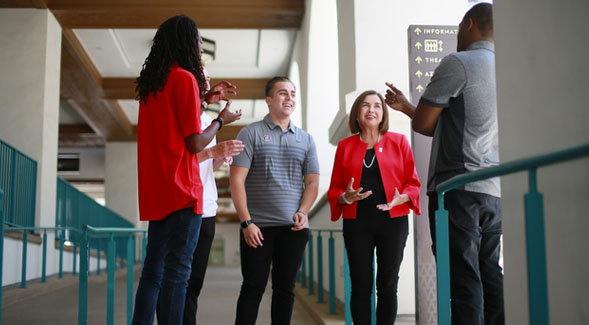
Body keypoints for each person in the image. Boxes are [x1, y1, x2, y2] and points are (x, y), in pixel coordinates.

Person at [385, 3, 503, 324]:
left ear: (467, 25)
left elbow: (424, 124)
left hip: (459, 187)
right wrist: (408, 106)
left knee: (462, 277)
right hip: (495, 190)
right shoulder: (508, 68)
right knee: (489, 269)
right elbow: (460, 124)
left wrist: (415, 111)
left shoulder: (458, 62)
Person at [133, 15, 243, 325]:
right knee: (178, 274)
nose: (199, 49)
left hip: (158, 190)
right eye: (196, 42)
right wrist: (220, 120)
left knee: (153, 272)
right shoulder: (184, 78)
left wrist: (204, 98)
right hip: (183, 189)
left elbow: (173, 125)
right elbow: (195, 143)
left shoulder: (152, 86)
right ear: (185, 43)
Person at [155, 67, 244, 324]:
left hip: (207, 208)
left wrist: (220, 158)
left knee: (194, 284)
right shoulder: (181, 114)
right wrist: (212, 152)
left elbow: (204, 167)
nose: (207, 83)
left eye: (207, 78)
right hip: (184, 206)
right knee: (173, 280)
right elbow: (180, 162)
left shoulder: (206, 120)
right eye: (201, 79)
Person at [230, 76, 320, 325]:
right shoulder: (251, 133)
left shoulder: (306, 139)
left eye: (292, 93)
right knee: (252, 288)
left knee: (285, 290)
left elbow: (312, 183)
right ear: (269, 100)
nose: (289, 97)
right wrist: (246, 223)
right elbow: (236, 180)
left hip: (294, 228)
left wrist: (303, 211)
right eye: (283, 93)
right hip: (257, 229)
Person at [327, 90, 421, 324]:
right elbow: (335, 189)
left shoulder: (399, 141)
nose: (371, 110)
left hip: (393, 221)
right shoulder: (345, 146)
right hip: (357, 223)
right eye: (365, 105)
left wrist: (403, 198)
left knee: (388, 285)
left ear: (383, 113)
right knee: (360, 284)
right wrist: (345, 197)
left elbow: (413, 183)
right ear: (357, 113)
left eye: (377, 106)